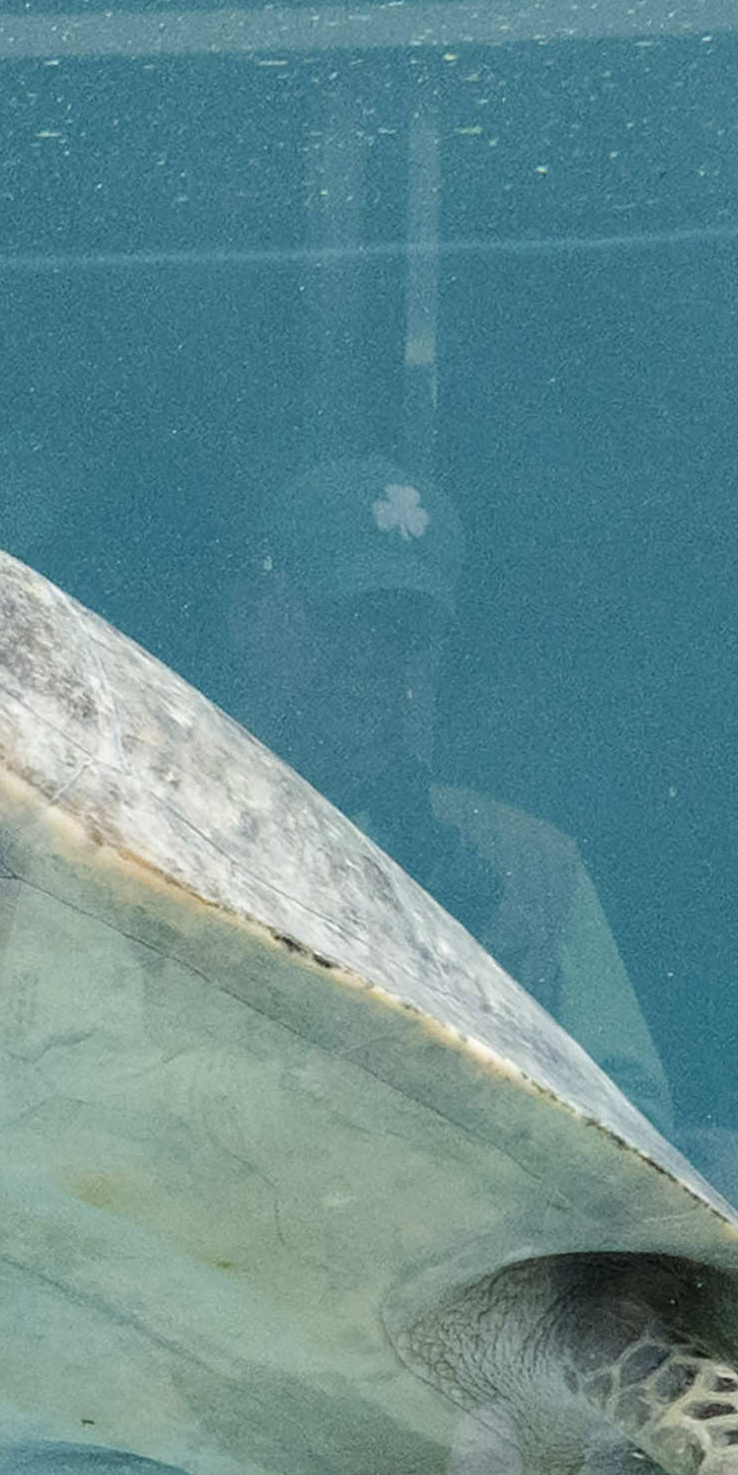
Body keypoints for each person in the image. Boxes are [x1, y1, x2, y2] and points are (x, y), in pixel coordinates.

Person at [221, 458, 672, 1128]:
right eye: (340, 615)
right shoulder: (142, 807)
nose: (369, 656)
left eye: (403, 630)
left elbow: (634, 1128)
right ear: (253, 612)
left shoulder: (535, 870)